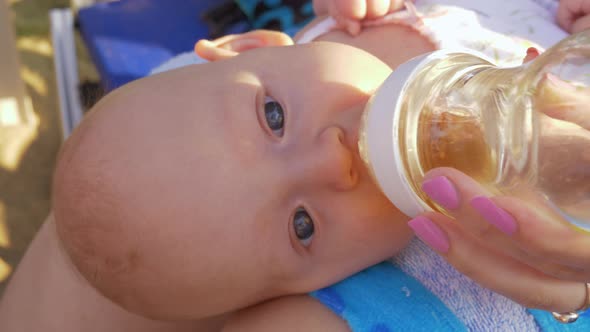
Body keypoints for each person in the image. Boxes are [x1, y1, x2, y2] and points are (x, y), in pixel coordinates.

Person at [0, 0, 588, 331]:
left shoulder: (360, 22)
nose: (334, 159)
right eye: (302, 225)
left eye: (275, 116)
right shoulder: (388, 292)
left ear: (253, 46)